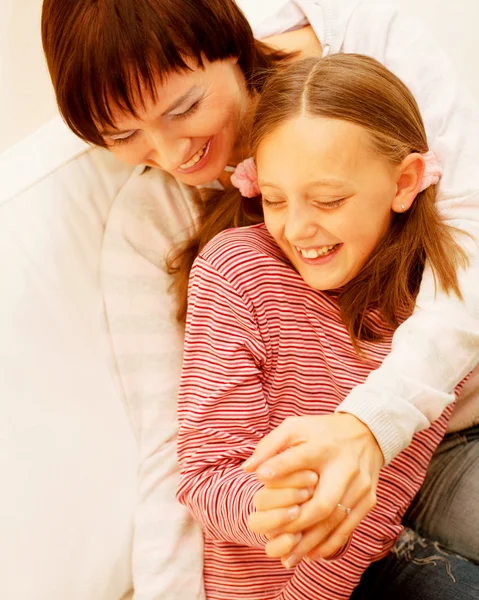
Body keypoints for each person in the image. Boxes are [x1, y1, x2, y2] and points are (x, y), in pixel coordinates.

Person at [40, 0, 479, 596]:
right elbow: (177, 449)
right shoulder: (159, 227)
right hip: (363, 493)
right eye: (123, 135)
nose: (173, 158)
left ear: (233, 42)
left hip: (441, 422)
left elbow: (466, 253)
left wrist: (371, 425)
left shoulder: (369, 58)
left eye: (185, 108)